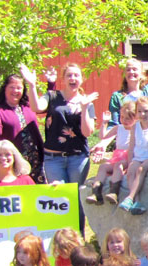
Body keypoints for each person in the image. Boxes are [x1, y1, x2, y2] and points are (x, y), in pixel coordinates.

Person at [23, 62, 97, 234]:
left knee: (76, 198)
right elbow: (36, 107)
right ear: (63, 79)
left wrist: (85, 107)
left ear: (81, 79)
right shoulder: (52, 96)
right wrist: (32, 85)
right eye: (69, 75)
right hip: (53, 158)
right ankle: (61, 238)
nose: (73, 78)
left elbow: (87, 132)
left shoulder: (87, 102)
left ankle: (78, 237)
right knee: (59, 197)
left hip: (78, 158)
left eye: (76, 75)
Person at [0, 73, 45, 183]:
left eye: (19, 88)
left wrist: (51, 83)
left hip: (36, 157)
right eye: (12, 87)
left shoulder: (28, 105)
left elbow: (48, 106)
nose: (15, 91)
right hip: (14, 159)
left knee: (37, 192)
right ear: (5, 89)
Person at [86, 103, 137, 206]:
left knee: (118, 166)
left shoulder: (136, 128)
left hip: (129, 157)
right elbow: (103, 137)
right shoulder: (118, 128)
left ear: (136, 118)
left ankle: (114, 192)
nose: (124, 120)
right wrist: (105, 123)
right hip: (117, 157)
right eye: (122, 117)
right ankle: (96, 192)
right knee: (103, 167)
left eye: (128, 118)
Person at [119, 96, 148, 214]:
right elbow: (131, 147)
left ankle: (130, 197)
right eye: (139, 111)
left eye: (146, 111)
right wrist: (130, 162)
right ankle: (137, 201)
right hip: (138, 156)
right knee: (131, 171)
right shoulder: (135, 126)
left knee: (141, 170)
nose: (143, 114)